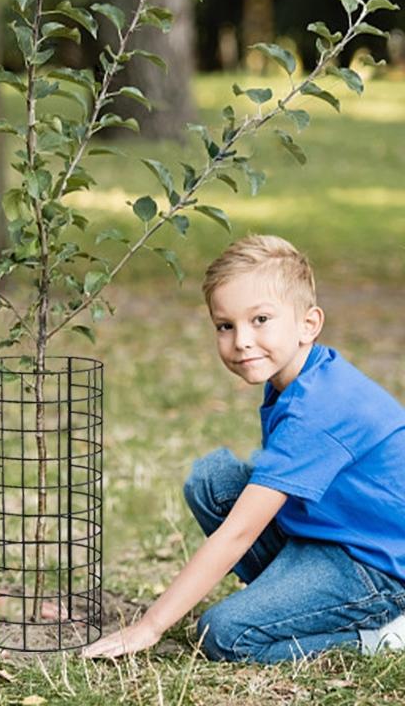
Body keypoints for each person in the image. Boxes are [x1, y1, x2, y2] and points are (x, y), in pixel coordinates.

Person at [84, 235, 405, 663]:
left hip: (378, 569)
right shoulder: (298, 377)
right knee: (212, 480)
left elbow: (240, 532)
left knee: (224, 633)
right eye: (225, 325)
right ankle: (292, 603)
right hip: (333, 534)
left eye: (261, 319)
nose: (241, 341)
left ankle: (383, 635)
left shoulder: (321, 408)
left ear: (309, 323)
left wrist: (150, 626)